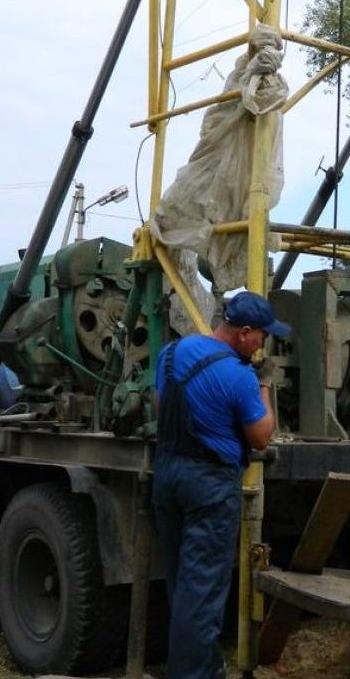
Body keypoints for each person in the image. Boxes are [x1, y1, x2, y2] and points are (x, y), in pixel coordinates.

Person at [152, 291, 290, 679]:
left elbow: (160, 405)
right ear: (244, 333)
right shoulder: (239, 376)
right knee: (203, 593)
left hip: (168, 475)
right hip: (208, 485)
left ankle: (193, 667)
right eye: (262, 335)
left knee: (182, 585)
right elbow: (262, 436)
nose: (264, 343)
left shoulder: (172, 353)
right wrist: (265, 386)